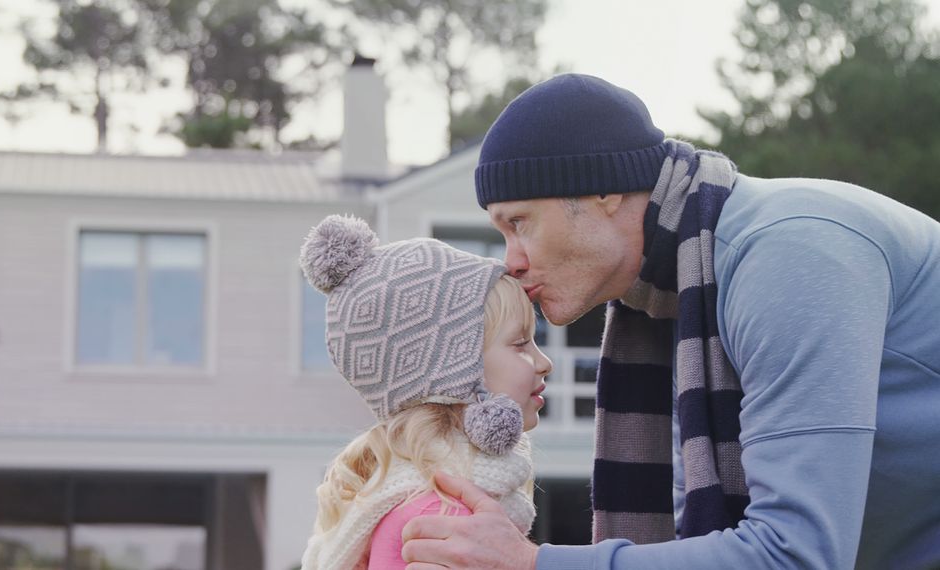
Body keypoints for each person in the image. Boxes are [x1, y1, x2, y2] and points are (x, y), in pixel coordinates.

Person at [400, 73, 940, 569]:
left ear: (603, 191)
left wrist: (533, 564)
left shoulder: (788, 256)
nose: (511, 260)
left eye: (519, 223)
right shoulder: (677, 302)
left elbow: (796, 556)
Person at [297, 214, 553, 569]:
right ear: (455, 368)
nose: (544, 363)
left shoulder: (426, 499)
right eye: (521, 343)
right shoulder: (444, 521)